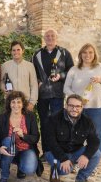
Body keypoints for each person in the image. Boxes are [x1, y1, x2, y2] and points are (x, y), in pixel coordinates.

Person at [64, 43, 101, 156]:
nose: (87, 55)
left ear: (94, 54)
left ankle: (93, 163)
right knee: (75, 136)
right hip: (77, 110)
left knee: (96, 137)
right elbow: (66, 88)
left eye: (90, 52)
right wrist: (76, 99)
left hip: (98, 110)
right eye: (84, 52)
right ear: (80, 54)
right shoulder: (74, 70)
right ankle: (73, 160)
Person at [46, 94, 101, 182]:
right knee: (65, 171)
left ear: (82, 107)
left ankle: (81, 179)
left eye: (77, 106)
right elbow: (50, 142)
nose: (74, 109)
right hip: (55, 152)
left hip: (75, 152)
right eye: (71, 106)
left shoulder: (87, 121)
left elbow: (95, 141)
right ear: (66, 106)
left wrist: (86, 156)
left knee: (96, 153)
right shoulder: (54, 118)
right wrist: (63, 158)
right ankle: (56, 168)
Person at [32, 29, 74, 160]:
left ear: (56, 38)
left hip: (57, 94)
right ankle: (46, 151)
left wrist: (60, 76)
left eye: (52, 36)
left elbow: (71, 71)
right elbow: (33, 73)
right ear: (44, 38)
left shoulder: (64, 53)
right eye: (47, 36)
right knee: (44, 123)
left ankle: (58, 151)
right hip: (42, 95)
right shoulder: (37, 54)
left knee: (57, 124)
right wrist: (38, 82)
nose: (50, 38)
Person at [0, 91, 39, 182]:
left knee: (29, 169)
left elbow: (35, 138)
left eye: (19, 102)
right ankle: (4, 178)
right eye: (13, 102)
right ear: (9, 104)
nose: (16, 105)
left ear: (23, 104)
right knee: (9, 140)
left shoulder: (30, 116)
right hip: (8, 149)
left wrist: (23, 135)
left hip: (25, 149)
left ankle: (20, 167)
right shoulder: (2, 118)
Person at [0, 41, 38, 111]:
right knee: (10, 122)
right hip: (10, 102)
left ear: (23, 51)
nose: (16, 52)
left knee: (26, 122)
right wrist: (3, 88)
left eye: (18, 50)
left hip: (25, 102)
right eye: (13, 50)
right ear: (11, 52)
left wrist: (32, 103)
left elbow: (34, 85)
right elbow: (1, 82)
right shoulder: (5, 65)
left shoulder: (30, 66)